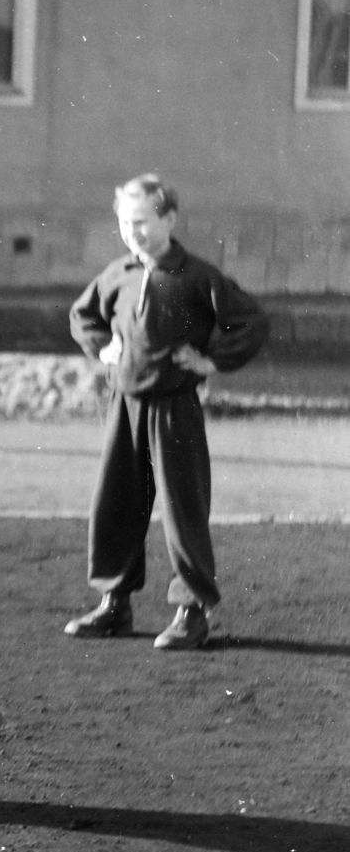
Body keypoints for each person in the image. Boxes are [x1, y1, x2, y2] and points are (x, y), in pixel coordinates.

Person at [65, 174, 269, 650]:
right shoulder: (116, 274)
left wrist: (212, 360)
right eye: (124, 222)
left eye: (141, 222)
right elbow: (83, 315)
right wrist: (104, 349)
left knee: (183, 510)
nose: (132, 232)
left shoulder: (197, 276)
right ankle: (114, 603)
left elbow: (252, 320)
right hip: (126, 407)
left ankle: (191, 612)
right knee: (114, 504)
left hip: (176, 409)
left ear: (169, 219)